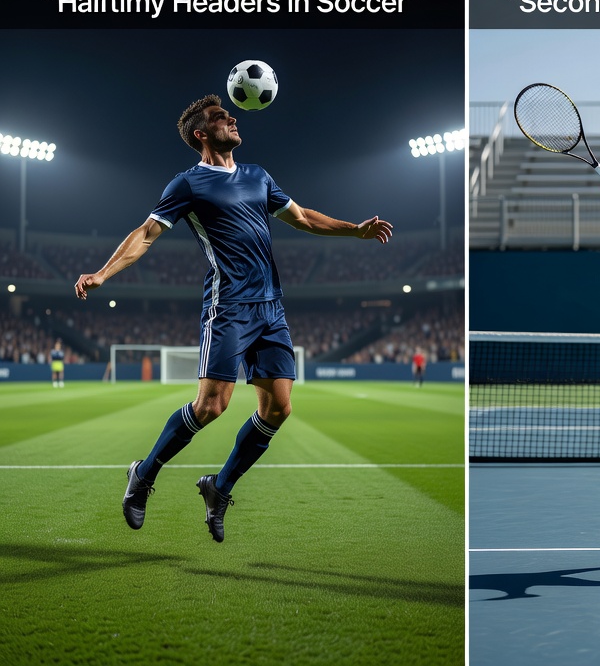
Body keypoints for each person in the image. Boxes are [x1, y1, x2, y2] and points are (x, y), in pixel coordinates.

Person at [77, 94, 393, 542]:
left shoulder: (258, 176)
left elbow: (301, 217)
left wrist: (354, 230)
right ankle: (144, 474)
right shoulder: (187, 184)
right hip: (228, 306)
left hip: (271, 307)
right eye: (221, 117)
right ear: (201, 134)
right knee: (211, 407)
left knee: (279, 408)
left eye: (230, 114)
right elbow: (146, 234)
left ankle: (218, 487)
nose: (232, 118)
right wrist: (103, 273)